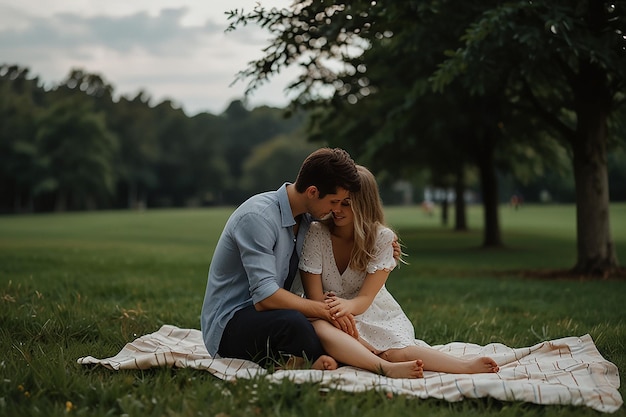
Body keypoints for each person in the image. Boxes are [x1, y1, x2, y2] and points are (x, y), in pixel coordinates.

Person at [299, 165, 500, 377]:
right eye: (334, 201)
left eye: (347, 204)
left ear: (364, 204)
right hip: (327, 313)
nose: (337, 210)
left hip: (372, 312)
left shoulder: (382, 238)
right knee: (321, 328)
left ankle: (463, 366)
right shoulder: (317, 233)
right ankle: (381, 366)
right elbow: (314, 298)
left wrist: (347, 307)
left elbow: (366, 298)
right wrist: (338, 314)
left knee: (397, 352)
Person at [200, 147, 363, 371]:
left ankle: (306, 359)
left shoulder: (308, 219)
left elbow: (342, 238)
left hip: (275, 315)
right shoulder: (258, 217)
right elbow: (265, 297)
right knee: (296, 324)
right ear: (313, 192)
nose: (336, 210)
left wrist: (383, 245)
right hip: (231, 323)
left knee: (330, 324)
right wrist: (322, 310)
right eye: (334, 201)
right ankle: (316, 358)